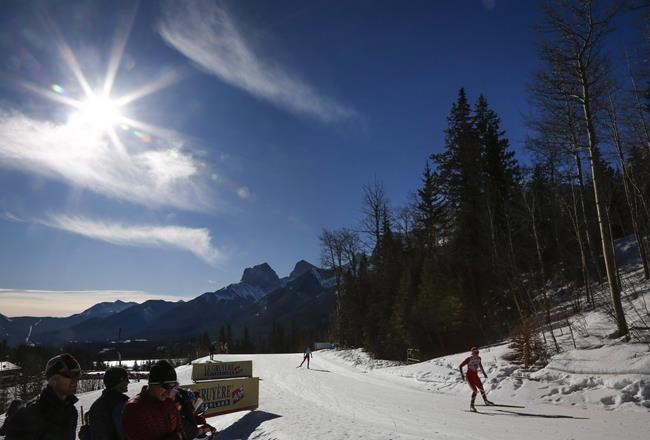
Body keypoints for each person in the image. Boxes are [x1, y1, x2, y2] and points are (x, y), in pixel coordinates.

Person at [3, 353, 81, 440]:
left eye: (77, 375)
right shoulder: (27, 416)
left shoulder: (71, 412)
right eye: (70, 375)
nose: (75, 380)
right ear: (53, 379)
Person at [121, 360, 182, 440]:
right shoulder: (134, 408)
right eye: (166, 386)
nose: (169, 393)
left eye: (173, 387)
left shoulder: (169, 402)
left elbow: (181, 431)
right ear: (152, 384)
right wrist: (177, 437)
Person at [85, 367, 130, 440]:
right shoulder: (118, 405)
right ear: (119, 381)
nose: (128, 382)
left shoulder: (98, 403)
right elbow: (125, 434)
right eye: (126, 379)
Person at [458, 347, 493, 411]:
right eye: (475, 352)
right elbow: (460, 366)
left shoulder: (479, 358)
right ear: (472, 353)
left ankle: (486, 401)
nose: (477, 353)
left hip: (475, 376)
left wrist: (484, 373)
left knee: (482, 388)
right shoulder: (469, 359)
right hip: (469, 377)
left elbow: (480, 365)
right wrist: (462, 375)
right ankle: (472, 406)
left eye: (477, 352)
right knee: (475, 391)